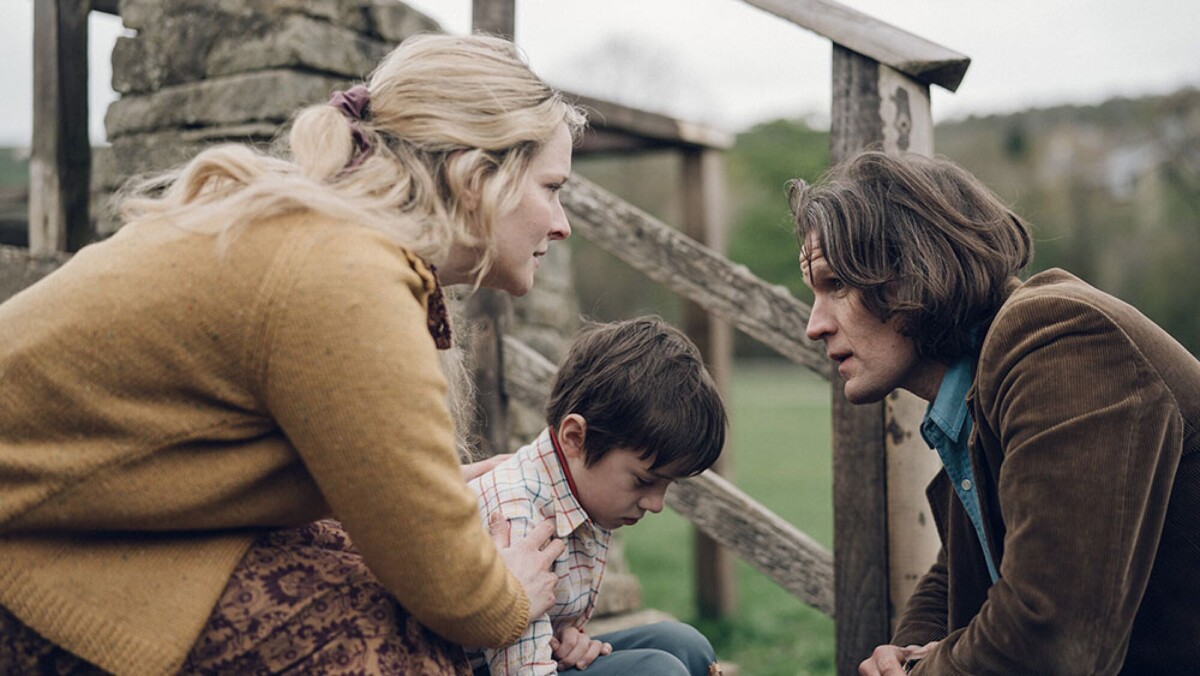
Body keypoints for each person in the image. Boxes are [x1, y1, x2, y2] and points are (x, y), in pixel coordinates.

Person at [0, 33, 588, 675]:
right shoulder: (342, 275)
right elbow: (456, 593)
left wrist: (425, 501)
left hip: (78, 523)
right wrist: (510, 592)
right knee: (383, 646)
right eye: (551, 187)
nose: (560, 223)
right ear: (475, 178)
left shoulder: (333, 242)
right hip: (27, 550)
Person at [790, 150, 1200, 675]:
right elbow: (971, 563)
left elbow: (1051, 637)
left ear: (912, 269)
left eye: (835, 285)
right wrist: (910, 648)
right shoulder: (980, 386)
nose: (814, 324)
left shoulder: (1058, 339)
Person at [467, 317, 726, 676]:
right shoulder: (518, 520)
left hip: (521, 659)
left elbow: (543, 635)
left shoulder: (575, 489)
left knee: (683, 645)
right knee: (657, 672)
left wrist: (566, 641)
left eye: (669, 485)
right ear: (575, 437)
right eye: (642, 481)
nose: (656, 503)